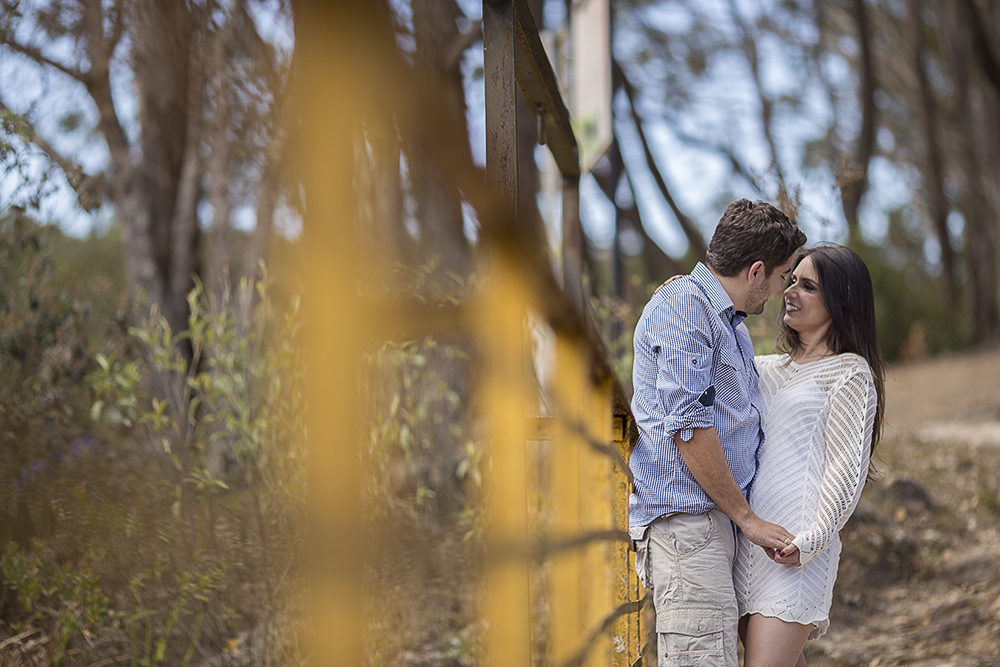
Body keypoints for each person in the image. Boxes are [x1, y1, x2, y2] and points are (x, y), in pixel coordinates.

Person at [628, 199, 807, 667]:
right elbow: (689, 427)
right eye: (782, 276)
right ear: (756, 271)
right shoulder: (685, 306)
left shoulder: (728, 323)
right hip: (688, 525)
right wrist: (748, 519)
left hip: (716, 521)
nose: (780, 289)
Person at [733, 245, 885, 667]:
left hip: (796, 552)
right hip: (749, 545)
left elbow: (844, 468)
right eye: (792, 280)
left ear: (841, 300)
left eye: (809, 286)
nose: (790, 291)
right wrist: (684, 295)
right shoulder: (765, 368)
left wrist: (814, 539)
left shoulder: (849, 373)